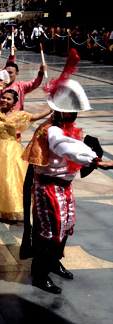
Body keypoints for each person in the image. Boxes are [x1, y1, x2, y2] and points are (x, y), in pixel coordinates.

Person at [22, 52, 113, 293]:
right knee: (48, 229)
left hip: (63, 186)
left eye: (75, 113)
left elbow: (75, 144)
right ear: (59, 111)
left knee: (65, 225)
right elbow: (67, 148)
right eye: (70, 112)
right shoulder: (51, 130)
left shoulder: (67, 127)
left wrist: (92, 155)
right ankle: (40, 274)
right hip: (47, 187)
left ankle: (53, 262)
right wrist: (95, 160)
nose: (73, 116)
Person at [0, 83, 51, 221]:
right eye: (3, 98)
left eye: (8, 99)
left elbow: (36, 117)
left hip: (13, 151)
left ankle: (13, 208)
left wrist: (52, 107)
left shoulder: (19, 115)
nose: (4, 100)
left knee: (11, 179)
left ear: (14, 102)